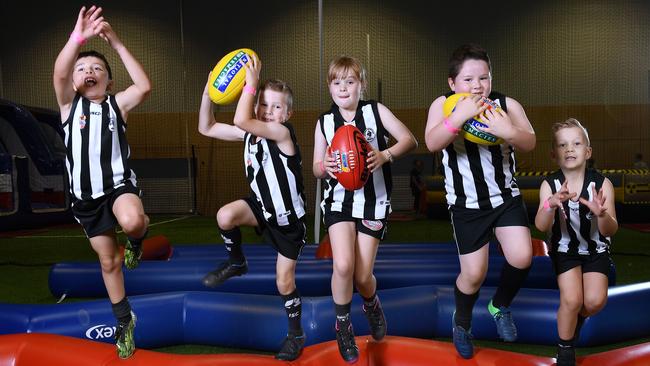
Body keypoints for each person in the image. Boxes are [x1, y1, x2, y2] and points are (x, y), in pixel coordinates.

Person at [424, 44, 536, 359]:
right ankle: (462, 323)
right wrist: (458, 118)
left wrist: (508, 131)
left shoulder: (504, 104)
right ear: (452, 83)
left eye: (483, 78)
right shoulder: (444, 105)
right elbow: (432, 142)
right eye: (469, 79)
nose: (477, 86)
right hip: (466, 204)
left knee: (522, 256)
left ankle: (499, 306)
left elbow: (530, 140)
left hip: (504, 198)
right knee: (474, 274)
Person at [52, 5, 151, 359]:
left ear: (109, 81)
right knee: (109, 262)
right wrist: (77, 39)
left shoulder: (117, 105)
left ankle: (138, 239)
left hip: (118, 187)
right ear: (73, 80)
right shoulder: (68, 106)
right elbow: (60, 71)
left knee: (132, 221)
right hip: (86, 199)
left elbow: (145, 86)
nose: (88, 71)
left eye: (97, 68)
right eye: (82, 68)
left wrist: (117, 43)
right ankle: (124, 320)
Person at [199, 54, 307, 361]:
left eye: (276, 107)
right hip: (260, 207)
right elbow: (206, 127)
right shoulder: (249, 132)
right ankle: (237, 262)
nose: (268, 111)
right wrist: (208, 93)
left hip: (287, 221)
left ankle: (295, 333)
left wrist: (251, 84)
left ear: (287, 114)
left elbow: (241, 119)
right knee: (225, 215)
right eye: (263, 104)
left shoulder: (282, 133)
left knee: (283, 281)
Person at [314, 55, 417, 363]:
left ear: (361, 85)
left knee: (362, 276)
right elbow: (318, 169)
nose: (343, 88)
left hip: (374, 203)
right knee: (343, 265)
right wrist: (326, 165)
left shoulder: (375, 111)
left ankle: (371, 302)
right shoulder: (324, 122)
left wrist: (385, 155)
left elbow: (409, 140)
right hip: (339, 203)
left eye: (350, 81)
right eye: (337, 82)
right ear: (329, 87)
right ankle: (343, 326)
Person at [534, 118, 617, 366]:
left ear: (588, 151)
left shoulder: (602, 184)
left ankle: (576, 320)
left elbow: (611, 228)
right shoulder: (550, 184)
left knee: (593, 301)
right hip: (564, 249)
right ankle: (565, 349)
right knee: (571, 299)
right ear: (553, 154)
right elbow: (540, 226)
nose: (569, 149)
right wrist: (550, 204)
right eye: (562, 145)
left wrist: (601, 213)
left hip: (596, 249)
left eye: (576, 143)